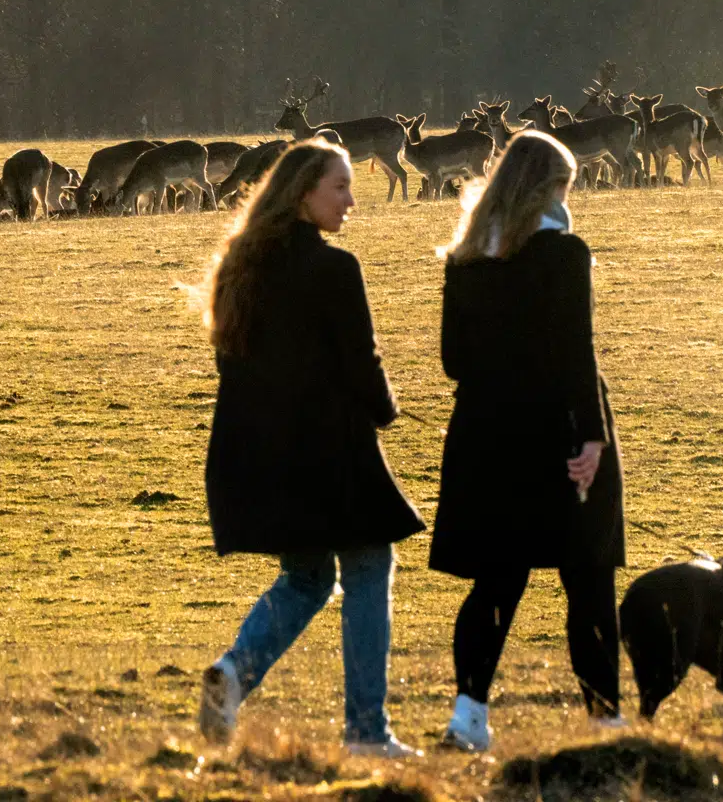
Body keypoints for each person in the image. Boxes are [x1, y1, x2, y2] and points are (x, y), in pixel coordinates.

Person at [197, 138, 426, 757]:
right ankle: (366, 731)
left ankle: (234, 672)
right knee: (369, 563)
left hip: (259, 451)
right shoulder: (333, 267)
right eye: (340, 188)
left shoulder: (239, 265)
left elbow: (231, 364)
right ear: (303, 195)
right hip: (329, 450)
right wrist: (385, 411)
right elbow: (361, 360)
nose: (352, 201)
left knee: (305, 576)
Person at [429, 130, 627, 752]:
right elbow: (577, 352)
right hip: (560, 432)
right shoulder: (564, 255)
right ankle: (602, 716)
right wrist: (592, 438)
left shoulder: (465, 261)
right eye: (565, 187)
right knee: (588, 577)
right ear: (547, 191)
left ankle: (469, 714)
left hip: (486, 436)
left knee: (495, 580)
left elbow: (453, 361)